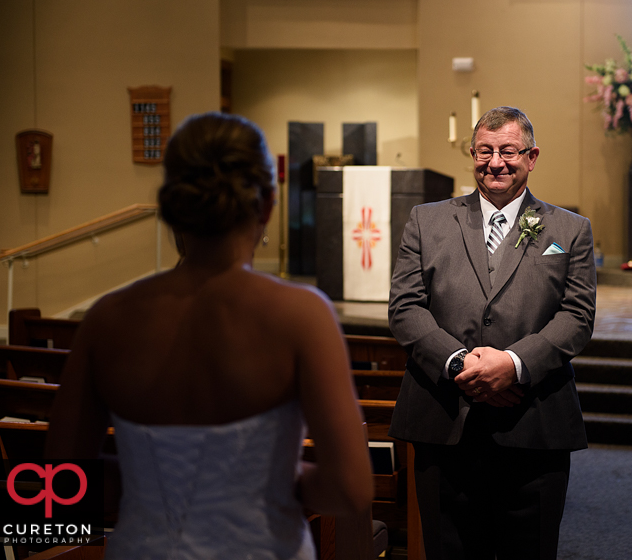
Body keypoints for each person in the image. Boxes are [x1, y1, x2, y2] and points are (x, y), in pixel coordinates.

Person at [45, 112, 374, 560]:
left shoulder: (107, 320)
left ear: (173, 207)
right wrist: (269, 479)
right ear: (266, 207)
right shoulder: (301, 317)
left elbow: (59, 484)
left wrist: (149, 488)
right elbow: (350, 491)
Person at [388, 106, 596, 560]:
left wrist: (513, 366)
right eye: (485, 151)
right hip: (444, 420)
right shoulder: (427, 221)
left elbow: (577, 317)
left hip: (533, 421)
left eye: (508, 151)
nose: (495, 162)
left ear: (532, 156)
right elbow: (405, 307)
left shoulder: (570, 230)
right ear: (472, 152)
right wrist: (462, 365)